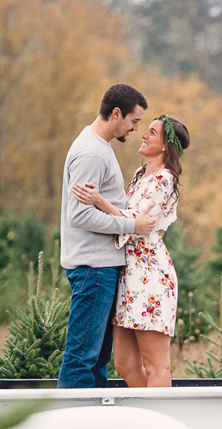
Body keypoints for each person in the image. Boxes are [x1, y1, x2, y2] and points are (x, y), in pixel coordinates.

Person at [72, 114, 191, 387]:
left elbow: (135, 220)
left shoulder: (164, 179)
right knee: (124, 363)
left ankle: (157, 425)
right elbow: (131, 220)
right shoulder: (141, 175)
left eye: (151, 132)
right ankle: (146, 416)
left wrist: (99, 201)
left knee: (156, 365)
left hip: (150, 276)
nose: (143, 134)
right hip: (128, 274)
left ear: (165, 146)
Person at [57, 83, 157, 388]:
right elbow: (80, 215)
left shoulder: (99, 147)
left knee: (96, 359)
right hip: (93, 268)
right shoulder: (91, 154)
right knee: (82, 357)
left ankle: (92, 426)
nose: (136, 128)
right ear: (116, 114)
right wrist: (133, 226)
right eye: (134, 120)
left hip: (100, 267)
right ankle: (69, 427)